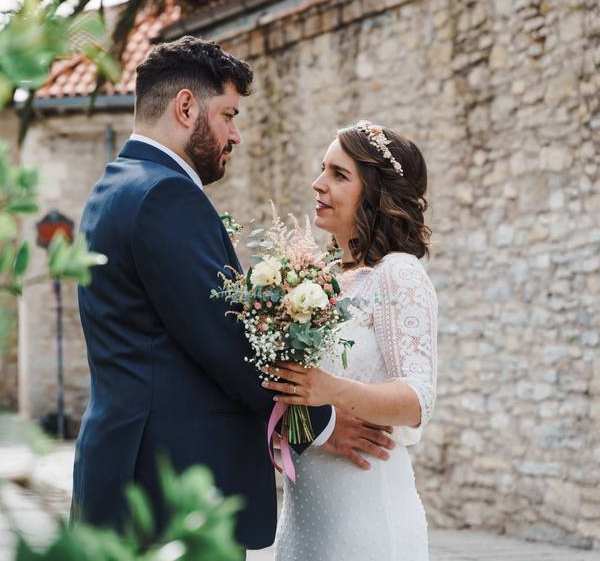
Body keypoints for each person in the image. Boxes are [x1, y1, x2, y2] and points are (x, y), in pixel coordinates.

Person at [70, 36, 392, 552]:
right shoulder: (165, 195)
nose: (236, 134)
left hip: (123, 467)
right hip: (170, 486)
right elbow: (226, 340)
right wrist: (321, 421)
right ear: (185, 107)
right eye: (228, 114)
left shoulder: (114, 187)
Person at [263, 120, 438, 561]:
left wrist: (328, 390)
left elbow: (418, 399)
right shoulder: (319, 278)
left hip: (367, 517)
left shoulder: (396, 274)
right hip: (304, 520)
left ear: (376, 193)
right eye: (323, 169)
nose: (317, 184)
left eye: (339, 175)